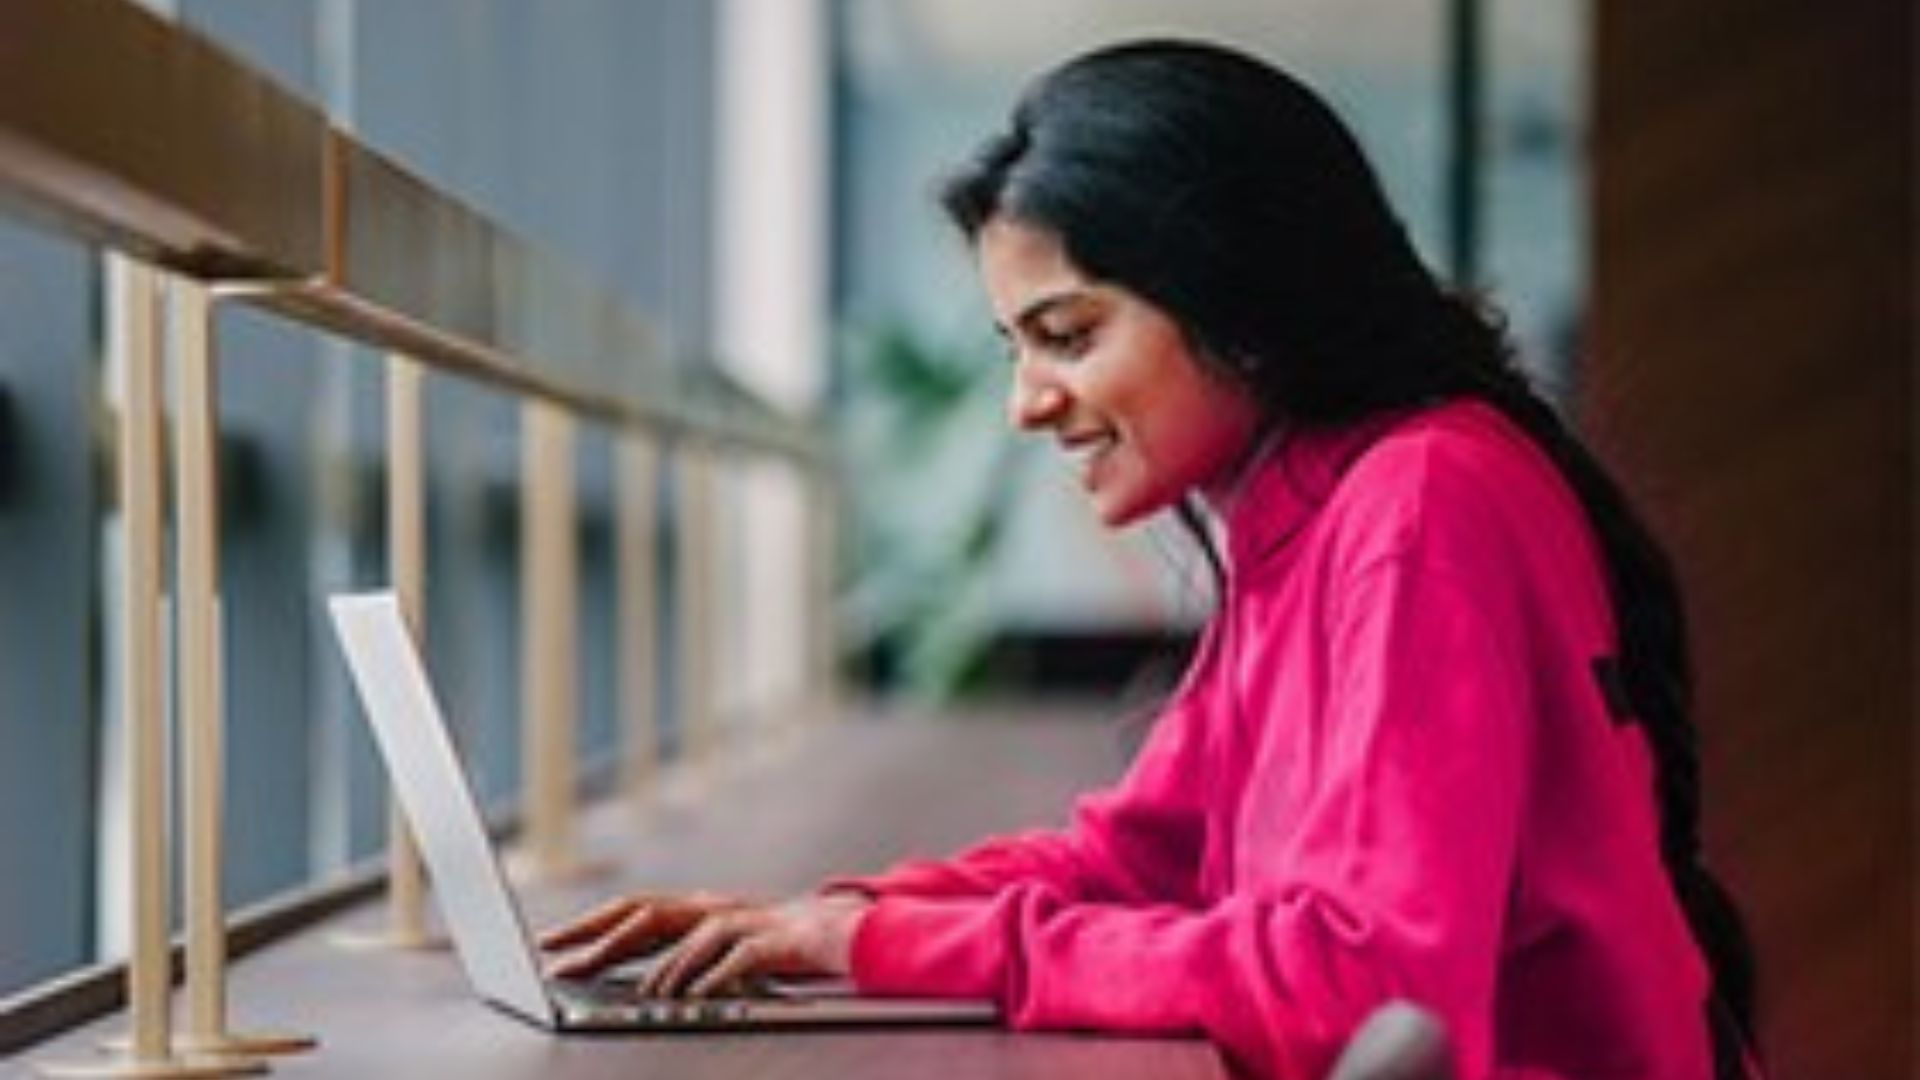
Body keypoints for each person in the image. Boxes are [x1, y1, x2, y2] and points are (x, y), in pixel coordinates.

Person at [541, 39, 1760, 1080]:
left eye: (1069, 335)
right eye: (1019, 347)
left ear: (1237, 298)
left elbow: (1368, 985)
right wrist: (840, 922)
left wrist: (888, 944)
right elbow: (1137, 859)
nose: (1027, 402)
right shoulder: (1310, 510)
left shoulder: (1419, 504)